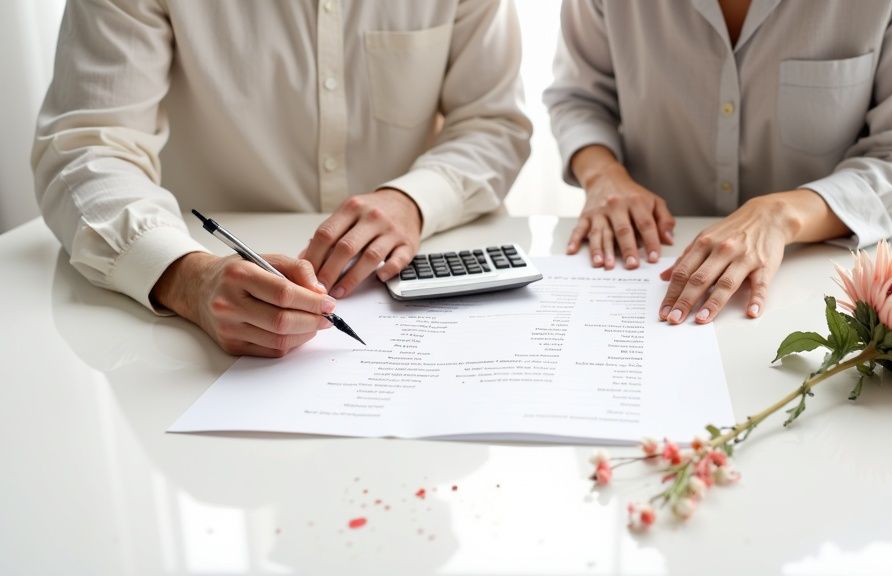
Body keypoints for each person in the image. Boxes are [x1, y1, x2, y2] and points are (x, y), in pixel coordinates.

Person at [33, 0, 531, 357]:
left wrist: (414, 200)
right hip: (198, 321)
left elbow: (494, 124)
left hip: (421, 271)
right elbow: (89, 144)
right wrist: (187, 278)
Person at [544, 0, 892, 326]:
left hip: (820, 286)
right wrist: (603, 174)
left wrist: (784, 214)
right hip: (644, 268)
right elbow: (579, 98)